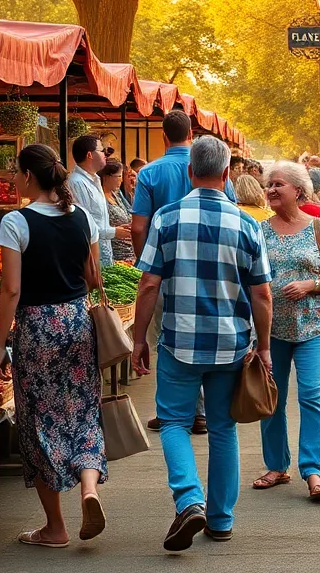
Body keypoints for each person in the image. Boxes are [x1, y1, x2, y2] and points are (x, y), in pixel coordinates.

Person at [131, 136, 273, 552]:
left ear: (190, 172)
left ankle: (189, 498)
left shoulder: (166, 218)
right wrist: (263, 347)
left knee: (174, 422)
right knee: (223, 428)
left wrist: (139, 339)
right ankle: (221, 519)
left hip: (179, 341)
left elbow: (149, 284)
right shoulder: (247, 224)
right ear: (228, 174)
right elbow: (262, 294)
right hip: (231, 344)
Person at [0, 144, 107, 547]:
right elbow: (95, 279)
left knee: (40, 422)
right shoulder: (82, 219)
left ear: (28, 176)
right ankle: (89, 489)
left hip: (37, 328)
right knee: (82, 412)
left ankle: (55, 527)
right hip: (77, 324)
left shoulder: (16, 222)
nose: (12, 178)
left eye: (15, 172)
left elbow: (10, 290)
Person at [131, 111, 237, 433]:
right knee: (204, 332)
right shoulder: (219, 173)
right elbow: (229, 210)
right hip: (211, 265)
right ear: (191, 133)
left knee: (167, 337)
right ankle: (202, 411)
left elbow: (138, 227)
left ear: (163, 136)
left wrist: (149, 263)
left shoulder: (149, 174)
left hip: (165, 268)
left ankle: (174, 410)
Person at [254, 162, 320, 500]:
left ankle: (313, 472)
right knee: (272, 400)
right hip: (271, 331)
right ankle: (277, 467)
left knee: (312, 397)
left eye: (279, 184)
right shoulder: (259, 231)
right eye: (269, 185)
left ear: (298, 190)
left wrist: (313, 284)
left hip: (314, 327)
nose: (272, 190)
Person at [68, 135, 121, 267]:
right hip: (89, 258)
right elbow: (83, 224)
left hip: (103, 255)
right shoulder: (77, 183)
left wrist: (114, 229)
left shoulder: (94, 180)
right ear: (89, 155)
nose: (105, 154)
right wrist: (113, 232)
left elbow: (98, 220)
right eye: (102, 150)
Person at [99, 160, 135, 263]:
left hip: (129, 253)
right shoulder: (100, 199)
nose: (121, 180)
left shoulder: (116, 194)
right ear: (106, 177)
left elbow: (130, 212)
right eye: (118, 176)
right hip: (116, 256)